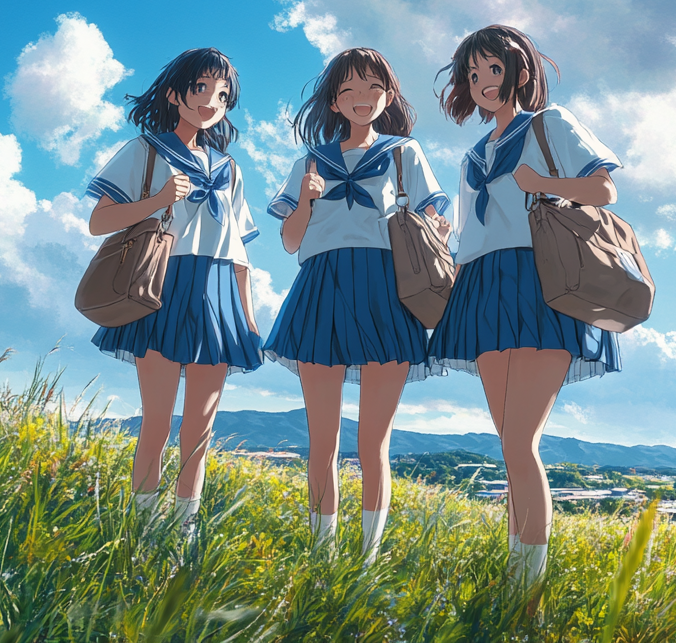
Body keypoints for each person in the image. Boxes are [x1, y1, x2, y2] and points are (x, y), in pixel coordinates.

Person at [426, 25, 623, 590]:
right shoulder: (473, 153)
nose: (483, 82)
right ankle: (517, 574)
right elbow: (468, 234)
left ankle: (528, 589)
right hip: (482, 284)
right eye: (472, 73)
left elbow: (604, 191)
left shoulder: (550, 123)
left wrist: (544, 182)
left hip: (540, 278)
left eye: (492, 69)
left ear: (519, 69)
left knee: (520, 441)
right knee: (508, 442)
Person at [263, 47, 449, 563]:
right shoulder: (309, 161)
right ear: (334, 101)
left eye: (373, 88)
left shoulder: (402, 154)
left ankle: (366, 560)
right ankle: (321, 558)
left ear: (387, 95)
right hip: (321, 285)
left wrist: (436, 231)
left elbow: (436, 219)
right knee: (322, 441)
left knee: (373, 443)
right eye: (349, 90)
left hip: (385, 286)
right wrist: (306, 199)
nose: (362, 99)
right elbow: (289, 241)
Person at [85, 47, 262, 539]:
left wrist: (247, 317)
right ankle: (142, 532)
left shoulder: (231, 168)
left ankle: (181, 536)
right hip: (161, 286)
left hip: (220, 291)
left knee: (199, 432)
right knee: (157, 422)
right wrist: (158, 201)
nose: (211, 101)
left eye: (221, 94)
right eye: (201, 88)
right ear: (174, 93)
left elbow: (240, 252)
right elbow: (99, 221)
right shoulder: (144, 150)